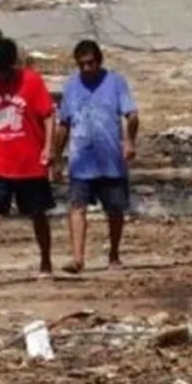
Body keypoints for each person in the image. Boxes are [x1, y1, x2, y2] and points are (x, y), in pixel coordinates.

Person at [0, 37, 57, 286]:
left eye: (3, 70)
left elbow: (48, 116)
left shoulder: (31, 81)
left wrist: (49, 148)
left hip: (29, 162)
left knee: (37, 213)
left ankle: (45, 261)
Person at [55, 40, 138, 273]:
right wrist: (56, 157)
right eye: (81, 64)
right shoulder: (71, 86)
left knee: (115, 210)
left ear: (99, 61)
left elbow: (131, 115)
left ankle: (114, 253)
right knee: (76, 206)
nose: (86, 69)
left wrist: (130, 141)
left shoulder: (115, 82)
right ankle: (78, 258)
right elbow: (64, 124)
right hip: (81, 160)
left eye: (90, 63)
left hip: (110, 158)